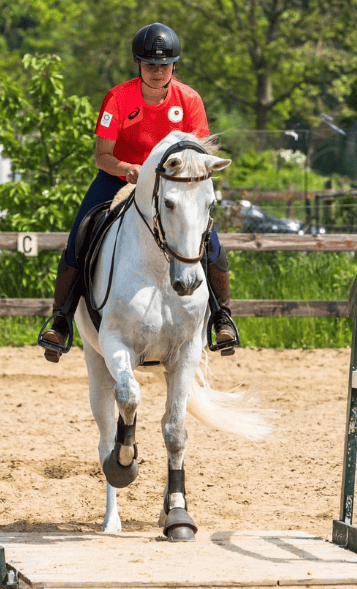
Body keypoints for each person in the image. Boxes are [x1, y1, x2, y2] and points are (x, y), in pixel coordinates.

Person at [40, 22, 237, 363]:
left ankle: (222, 316)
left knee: (209, 236)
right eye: (150, 65)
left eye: (164, 65)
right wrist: (128, 170)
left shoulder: (189, 99)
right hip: (121, 178)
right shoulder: (118, 98)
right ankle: (61, 319)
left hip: (174, 184)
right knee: (81, 231)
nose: (157, 72)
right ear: (138, 65)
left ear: (174, 65)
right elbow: (102, 156)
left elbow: (199, 156)